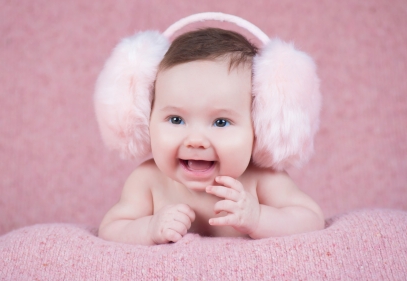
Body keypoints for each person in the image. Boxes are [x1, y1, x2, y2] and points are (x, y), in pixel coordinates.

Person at [97, 27, 325, 245]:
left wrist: (259, 218)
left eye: (220, 122)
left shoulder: (261, 179)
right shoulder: (148, 181)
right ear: (146, 120)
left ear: (260, 128)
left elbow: (311, 218)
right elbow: (111, 228)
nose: (196, 140)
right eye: (176, 120)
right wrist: (148, 228)